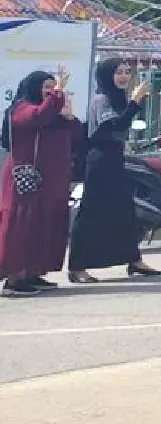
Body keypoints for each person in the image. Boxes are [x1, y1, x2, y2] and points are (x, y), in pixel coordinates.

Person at [66, 58, 161, 283]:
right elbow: (115, 125)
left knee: (124, 210)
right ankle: (77, 268)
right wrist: (135, 102)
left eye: (127, 72)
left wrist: (133, 103)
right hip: (99, 160)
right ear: (107, 75)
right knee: (92, 213)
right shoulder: (102, 99)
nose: (124, 76)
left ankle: (134, 260)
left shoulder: (119, 98)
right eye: (119, 72)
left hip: (115, 158)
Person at [2, 69, 84, 296]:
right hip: (26, 180)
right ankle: (14, 278)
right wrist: (58, 94)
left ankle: (32, 272)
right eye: (46, 87)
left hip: (50, 182)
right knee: (23, 227)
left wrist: (70, 117)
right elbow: (37, 117)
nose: (50, 92)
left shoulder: (54, 113)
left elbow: (77, 137)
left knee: (44, 226)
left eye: (52, 87)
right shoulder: (21, 109)